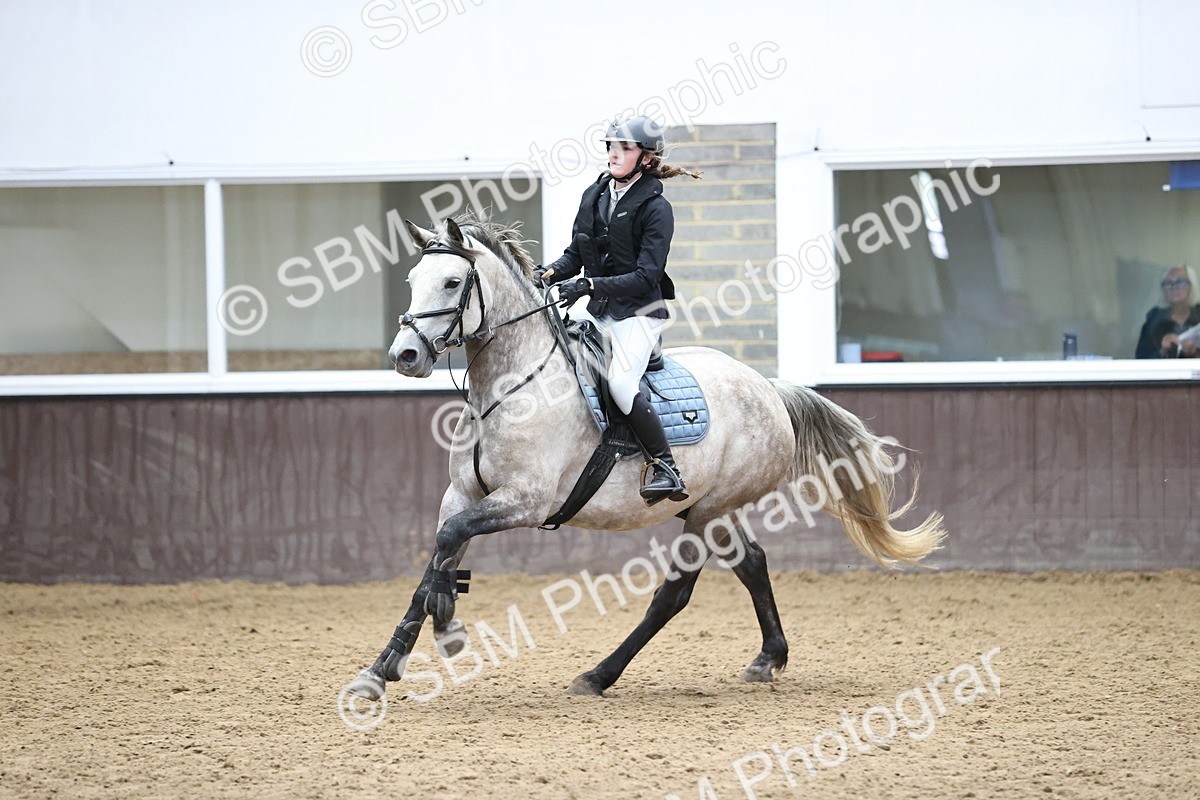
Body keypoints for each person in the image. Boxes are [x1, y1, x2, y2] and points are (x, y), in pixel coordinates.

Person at [538, 116, 701, 505]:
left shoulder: (657, 208)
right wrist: (546, 273)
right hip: (598, 307)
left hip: (639, 311)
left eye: (624, 148)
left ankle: (665, 466)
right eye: (612, 146)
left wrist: (590, 284)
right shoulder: (595, 194)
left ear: (645, 159)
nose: (614, 153)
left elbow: (647, 276)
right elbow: (575, 254)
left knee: (622, 383)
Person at [1135, 264, 1200, 358]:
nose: (1174, 287)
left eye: (1180, 282)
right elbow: (1141, 359)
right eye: (1168, 283)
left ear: (1191, 286)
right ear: (1163, 289)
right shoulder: (1153, 320)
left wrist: (1196, 353)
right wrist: (1162, 351)